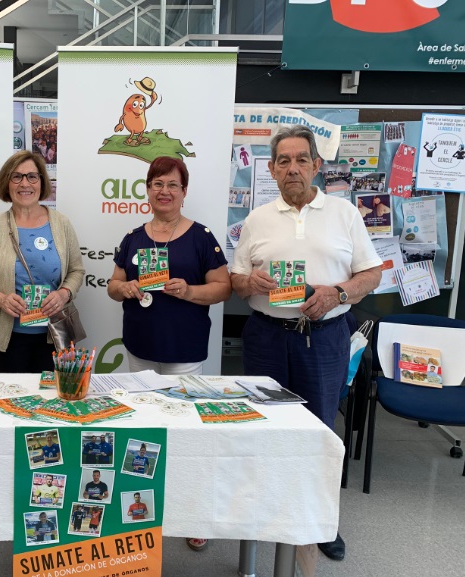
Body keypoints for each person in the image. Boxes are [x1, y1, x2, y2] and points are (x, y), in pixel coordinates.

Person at [230, 125, 382, 562]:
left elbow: (370, 275)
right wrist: (248, 281)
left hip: (325, 337)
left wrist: (336, 294)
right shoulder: (256, 219)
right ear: (273, 170)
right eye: (283, 161)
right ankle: (266, 513)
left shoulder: (345, 214)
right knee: (265, 428)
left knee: (319, 432)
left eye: (301, 160)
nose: (292, 168)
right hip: (265, 337)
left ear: (316, 165)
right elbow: (237, 279)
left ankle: (321, 523)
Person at [107, 156, 231, 375]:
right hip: (139, 347)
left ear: (184, 192)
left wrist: (189, 291)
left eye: (173, 185)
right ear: (148, 190)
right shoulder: (133, 238)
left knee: (180, 409)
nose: (165, 191)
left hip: (184, 350)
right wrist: (123, 288)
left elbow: (224, 288)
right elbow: (113, 286)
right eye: (158, 184)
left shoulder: (201, 237)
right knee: (142, 407)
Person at [0, 150, 84, 372]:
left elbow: (76, 271)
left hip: (54, 335)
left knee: (48, 400)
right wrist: (0, 299)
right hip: (8, 338)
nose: (25, 183)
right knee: (12, 401)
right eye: (17, 176)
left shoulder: (61, 224)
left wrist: (64, 294)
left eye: (32, 176)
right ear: (7, 183)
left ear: (41, 182)